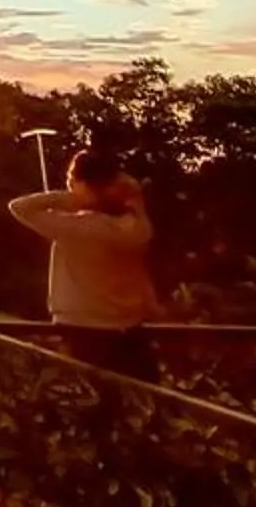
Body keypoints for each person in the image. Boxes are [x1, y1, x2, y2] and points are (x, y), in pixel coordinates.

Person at [9, 148, 160, 379]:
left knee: (89, 403)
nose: (68, 183)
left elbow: (19, 207)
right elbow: (134, 192)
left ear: (83, 184)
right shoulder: (138, 225)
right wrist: (114, 193)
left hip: (83, 332)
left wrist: (70, 199)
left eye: (71, 179)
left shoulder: (78, 228)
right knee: (141, 401)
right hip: (129, 329)